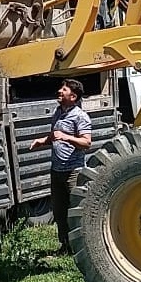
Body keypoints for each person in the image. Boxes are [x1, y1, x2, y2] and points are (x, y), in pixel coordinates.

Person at [29, 79, 92, 255]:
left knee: (76, 211)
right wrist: (43, 141)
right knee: (59, 211)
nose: (59, 91)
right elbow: (55, 135)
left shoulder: (80, 116)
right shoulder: (58, 112)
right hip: (56, 170)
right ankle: (65, 246)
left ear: (73, 96)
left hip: (73, 171)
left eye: (63, 89)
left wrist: (66, 137)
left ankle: (83, 248)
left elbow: (86, 142)